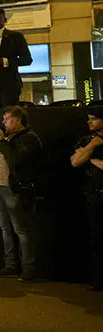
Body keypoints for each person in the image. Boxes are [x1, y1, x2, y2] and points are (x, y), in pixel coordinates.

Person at [0, 106, 42, 283]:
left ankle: (28, 268)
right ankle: (11, 265)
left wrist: (1, 140)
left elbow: (16, 161)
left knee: (22, 230)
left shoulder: (29, 139)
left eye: (7, 119)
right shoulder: (8, 138)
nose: (4, 122)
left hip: (15, 190)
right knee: (5, 229)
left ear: (18, 120)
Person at [70, 107, 103, 291]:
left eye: (94, 119)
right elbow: (75, 161)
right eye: (88, 118)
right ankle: (98, 279)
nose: (89, 122)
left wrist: (91, 160)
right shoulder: (89, 140)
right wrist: (92, 147)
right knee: (96, 240)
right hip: (94, 197)